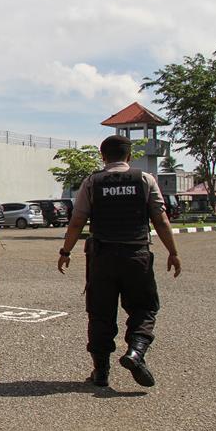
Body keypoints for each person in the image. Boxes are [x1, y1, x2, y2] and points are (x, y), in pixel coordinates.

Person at [58, 135, 181, 388]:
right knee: (144, 308)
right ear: (129, 156)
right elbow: (160, 219)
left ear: (103, 156)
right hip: (137, 255)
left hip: (101, 257)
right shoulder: (145, 180)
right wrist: (173, 252)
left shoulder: (92, 182)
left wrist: (65, 251)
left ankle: (101, 372)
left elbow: (77, 221)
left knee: (100, 313)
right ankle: (135, 353)